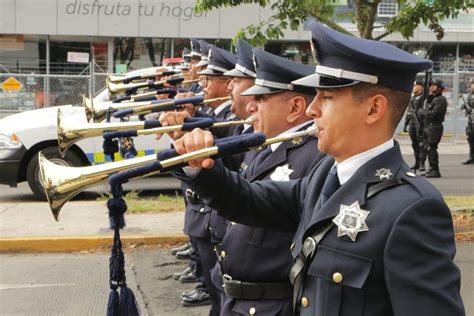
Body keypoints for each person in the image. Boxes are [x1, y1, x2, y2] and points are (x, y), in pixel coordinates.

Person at [172, 21, 464, 316]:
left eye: (327, 98)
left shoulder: (411, 208)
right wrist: (201, 167)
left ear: (374, 109)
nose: (312, 110)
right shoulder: (325, 176)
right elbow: (248, 200)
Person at [210, 47, 326, 315]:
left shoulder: (315, 156)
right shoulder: (266, 145)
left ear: (295, 107)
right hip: (237, 297)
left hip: (270, 304)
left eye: (261, 99)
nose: (250, 106)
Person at [161, 44, 238, 314]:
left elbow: (232, 158)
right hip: (205, 209)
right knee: (214, 284)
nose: (201, 83)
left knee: (219, 289)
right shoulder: (222, 114)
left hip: (216, 215)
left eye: (209, 79)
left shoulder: (234, 117)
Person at [418, 79, 448, 178]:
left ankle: (435, 170)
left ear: (440, 88)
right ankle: (431, 168)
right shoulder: (432, 98)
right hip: (428, 126)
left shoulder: (441, 99)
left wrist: (423, 112)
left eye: (435, 85)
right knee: (427, 148)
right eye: (432, 85)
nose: (432, 87)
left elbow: (435, 114)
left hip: (435, 126)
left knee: (432, 148)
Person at [403, 81, 424, 171]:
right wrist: (406, 124)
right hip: (412, 123)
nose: (414, 87)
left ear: (421, 87)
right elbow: (409, 112)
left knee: (422, 144)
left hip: (420, 123)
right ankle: (417, 163)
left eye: (416, 85)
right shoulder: (412, 97)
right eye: (414, 85)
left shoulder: (423, 97)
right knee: (414, 144)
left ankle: (422, 163)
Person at [461, 79, 474, 164]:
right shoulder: (470, 95)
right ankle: (472, 157)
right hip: (471, 119)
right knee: (471, 138)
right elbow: (468, 105)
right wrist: (464, 106)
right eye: (471, 84)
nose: (472, 86)